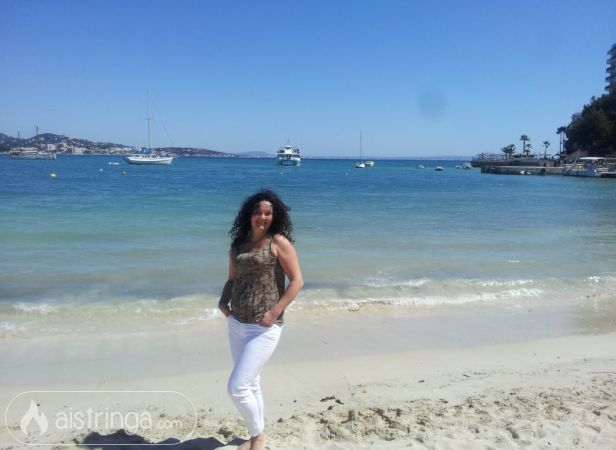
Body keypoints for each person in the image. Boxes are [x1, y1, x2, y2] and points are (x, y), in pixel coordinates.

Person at [218, 189, 303, 450]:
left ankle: (258, 436)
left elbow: (297, 281)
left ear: (274, 216)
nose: (262, 217)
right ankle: (256, 435)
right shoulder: (239, 244)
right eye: (258, 212)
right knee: (251, 383)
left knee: (237, 387)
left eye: (268, 213)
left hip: (264, 327)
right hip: (236, 324)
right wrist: (222, 301)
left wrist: (275, 312)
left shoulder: (278, 242)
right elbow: (232, 279)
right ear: (249, 214)